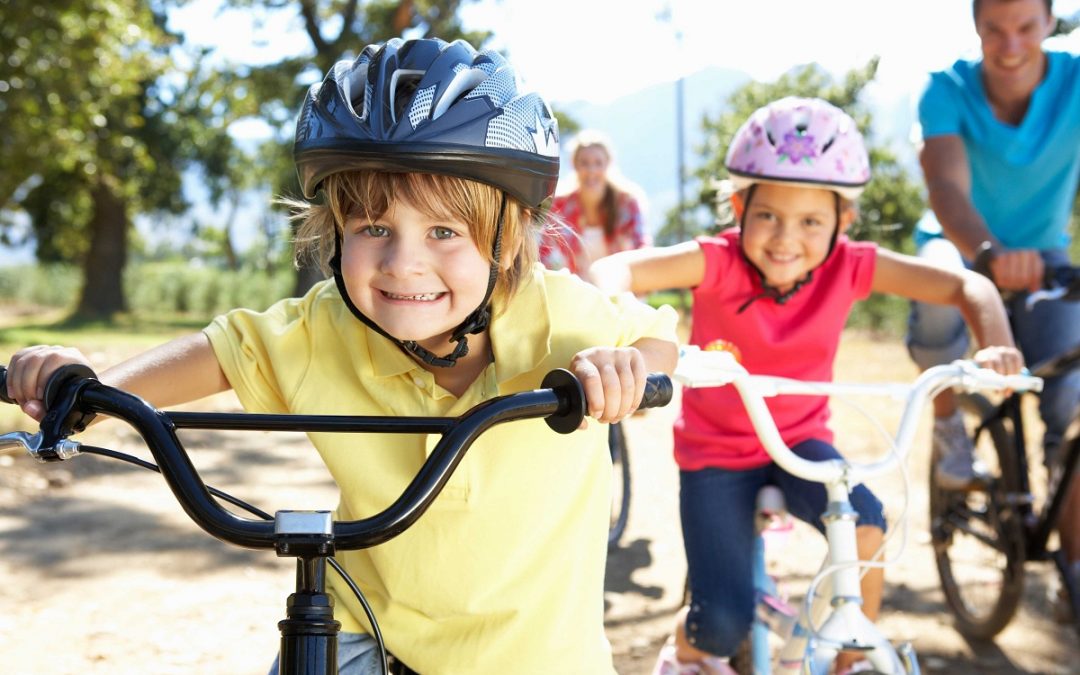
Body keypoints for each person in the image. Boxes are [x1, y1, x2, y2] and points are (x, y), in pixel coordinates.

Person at [3, 38, 679, 675]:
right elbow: (220, 352)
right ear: (335, 233)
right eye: (372, 227)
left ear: (508, 238)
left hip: (537, 659)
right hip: (368, 637)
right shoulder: (327, 325)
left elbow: (657, 339)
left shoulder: (557, 310)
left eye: (444, 230)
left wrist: (626, 370)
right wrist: (91, 390)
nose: (402, 262)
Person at [589, 97, 1023, 675]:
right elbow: (615, 269)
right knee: (720, 622)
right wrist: (622, 327)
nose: (785, 238)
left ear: (843, 223)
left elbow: (968, 288)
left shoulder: (850, 265)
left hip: (800, 446)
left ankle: (851, 655)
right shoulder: (718, 261)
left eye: (811, 221)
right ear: (739, 207)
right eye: (767, 215)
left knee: (867, 526)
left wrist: (993, 342)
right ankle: (688, 650)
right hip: (715, 457)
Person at [906, 0, 1080, 599]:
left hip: (1047, 260)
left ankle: (1073, 562)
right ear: (976, 27)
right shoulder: (946, 88)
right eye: (994, 30)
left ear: (1051, 23)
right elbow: (946, 185)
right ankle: (950, 425)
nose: (1010, 45)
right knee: (936, 287)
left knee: (1072, 409)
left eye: (1026, 27)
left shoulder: (1075, 81)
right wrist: (986, 252)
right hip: (961, 247)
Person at [540, 130, 650, 279]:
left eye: (598, 163)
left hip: (621, 289)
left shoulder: (627, 203)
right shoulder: (560, 205)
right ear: (574, 165)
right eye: (584, 163)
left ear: (608, 165)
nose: (591, 170)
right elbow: (543, 251)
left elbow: (642, 249)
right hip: (578, 293)